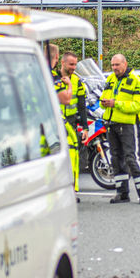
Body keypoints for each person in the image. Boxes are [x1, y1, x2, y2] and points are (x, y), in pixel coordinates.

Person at [101, 53, 140, 204]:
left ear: (125, 64)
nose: (114, 68)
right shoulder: (110, 79)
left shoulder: (138, 81)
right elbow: (104, 97)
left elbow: (138, 106)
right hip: (112, 123)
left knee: (130, 157)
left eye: (117, 65)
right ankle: (122, 193)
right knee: (116, 158)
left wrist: (115, 103)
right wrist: (103, 102)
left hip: (127, 125)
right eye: (113, 65)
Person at [55, 51, 88, 191]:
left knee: (73, 156)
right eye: (71, 64)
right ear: (62, 63)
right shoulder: (53, 77)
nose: (73, 67)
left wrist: (85, 127)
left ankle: (72, 189)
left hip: (71, 123)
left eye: (75, 64)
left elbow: (82, 106)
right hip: (56, 123)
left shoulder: (77, 81)